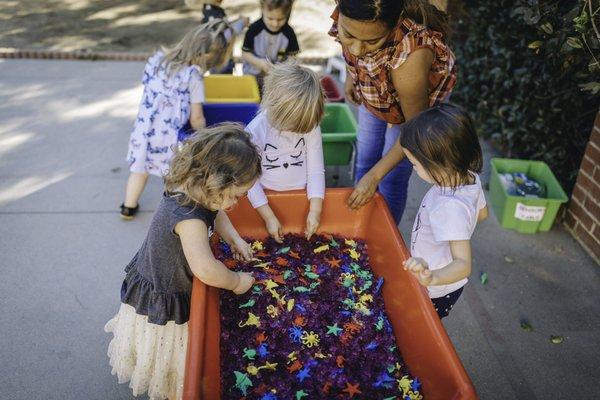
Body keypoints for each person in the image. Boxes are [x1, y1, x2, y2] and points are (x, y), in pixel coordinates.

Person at [105, 125, 261, 399]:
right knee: (167, 345)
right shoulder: (189, 219)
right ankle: (164, 381)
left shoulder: (199, 190)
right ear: (216, 182)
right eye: (237, 195)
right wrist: (237, 282)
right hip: (166, 291)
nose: (239, 201)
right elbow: (205, 269)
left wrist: (234, 239)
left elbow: (217, 212)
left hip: (164, 275)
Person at [330, 0, 457, 224]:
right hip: (377, 89)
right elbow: (355, 47)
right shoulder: (354, 15)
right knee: (365, 159)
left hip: (414, 112)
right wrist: (352, 74)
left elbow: (413, 130)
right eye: (348, 35)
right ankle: (359, 225)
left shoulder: (411, 56)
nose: (357, 50)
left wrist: (376, 175)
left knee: (391, 178)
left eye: (372, 41)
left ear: (393, 24)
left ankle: (384, 235)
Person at [120, 19, 234, 220]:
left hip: (145, 130)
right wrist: (204, 136)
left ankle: (128, 207)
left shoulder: (156, 60)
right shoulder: (193, 77)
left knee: (140, 170)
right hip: (167, 137)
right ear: (205, 59)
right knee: (173, 175)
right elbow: (197, 117)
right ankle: (170, 213)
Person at [401, 104, 488, 318]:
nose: (413, 168)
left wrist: (432, 278)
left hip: (437, 289)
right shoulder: (469, 176)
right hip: (434, 277)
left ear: (439, 164)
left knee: (422, 327)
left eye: (414, 164)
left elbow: (463, 264)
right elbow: (482, 214)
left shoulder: (449, 206)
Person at [246, 60, 325, 241]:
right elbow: (248, 179)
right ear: (273, 105)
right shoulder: (255, 131)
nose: (292, 131)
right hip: (264, 199)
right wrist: (268, 216)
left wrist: (315, 210)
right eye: (290, 126)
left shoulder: (311, 125)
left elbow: (315, 170)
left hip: (301, 197)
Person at [242, 0, 299, 87]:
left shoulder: (289, 33)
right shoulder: (254, 29)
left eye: (280, 19)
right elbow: (245, 53)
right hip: (252, 76)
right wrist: (260, 63)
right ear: (262, 9)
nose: (275, 24)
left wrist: (281, 67)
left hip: (276, 79)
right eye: (270, 18)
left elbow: (292, 57)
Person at [185, 0, 249, 73]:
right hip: (219, 60)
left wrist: (236, 20)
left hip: (222, 58)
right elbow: (221, 36)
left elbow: (223, 26)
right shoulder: (210, 13)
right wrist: (240, 24)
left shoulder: (215, 10)